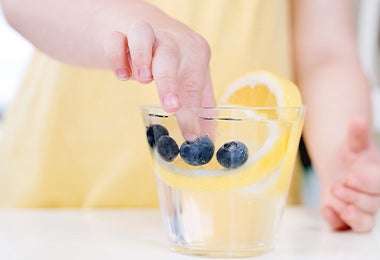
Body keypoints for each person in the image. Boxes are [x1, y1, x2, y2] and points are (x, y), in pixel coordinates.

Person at [0, 0, 379, 232]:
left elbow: (325, 53)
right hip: (57, 211)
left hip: (245, 219)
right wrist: (142, 20)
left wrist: (342, 166)